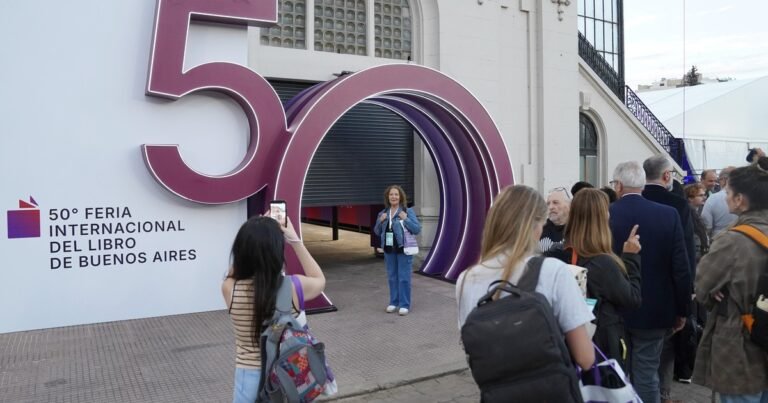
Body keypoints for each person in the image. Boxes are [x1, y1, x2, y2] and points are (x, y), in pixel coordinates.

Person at [456, 185, 595, 371]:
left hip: (496, 388)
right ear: (536, 225)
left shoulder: (466, 279)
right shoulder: (553, 271)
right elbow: (585, 358)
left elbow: (472, 347)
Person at [609, 161, 691, 403]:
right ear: (642, 184)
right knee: (647, 373)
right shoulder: (668, 214)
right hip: (656, 309)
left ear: (619, 186)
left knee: (618, 371)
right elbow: (681, 268)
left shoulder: (607, 214)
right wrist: (683, 309)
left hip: (616, 307)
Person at [222, 216, 326, 403]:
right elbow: (319, 280)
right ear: (276, 251)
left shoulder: (230, 287)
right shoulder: (294, 286)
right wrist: (295, 240)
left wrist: (254, 232)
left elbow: (234, 269)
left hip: (247, 376)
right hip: (286, 374)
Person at [693, 162, 768, 402]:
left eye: (727, 192)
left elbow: (703, 286)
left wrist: (715, 294)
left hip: (741, 344)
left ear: (739, 200)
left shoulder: (732, 241)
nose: (725, 197)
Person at [550, 188, 642, 369]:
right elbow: (632, 298)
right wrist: (631, 258)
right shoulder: (603, 264)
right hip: (601, 352)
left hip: (565, 348)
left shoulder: (556, 256)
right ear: (602, 218)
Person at [373, 185, 421, 316]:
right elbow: (376, 231)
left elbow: (417, 229)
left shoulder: (407, 211)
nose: (393, 197)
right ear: (387, 197)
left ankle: (404, 304)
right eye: (391, 195)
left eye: (396, 194)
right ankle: (394, 302)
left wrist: (405, 218)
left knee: (404, 277)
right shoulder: (383, 213)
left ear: (400, 197)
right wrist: (380, 220)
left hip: (403, 249)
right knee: (392, 277)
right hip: (389, 249)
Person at [701, 166, 738, 237]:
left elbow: (707, 225)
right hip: (742, 238)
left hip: (719, 239)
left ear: (724, 180)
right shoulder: (747, 197)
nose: (715, 183)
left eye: (718, 180)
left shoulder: (713, 198)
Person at [538, 187, 571, 253]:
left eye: (555, 203)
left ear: (569, 205)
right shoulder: (540, 228)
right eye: (548, 204)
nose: (550, 207)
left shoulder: (578, 229)